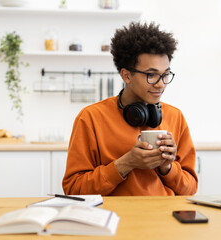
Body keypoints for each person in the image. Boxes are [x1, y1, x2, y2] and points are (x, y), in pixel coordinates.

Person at [62, 22, 198, 196]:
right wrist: (126, 163)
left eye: (165, 75)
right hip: (114, 219)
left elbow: (190, 189)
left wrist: (167, 167)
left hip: (164, 219)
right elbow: (74, 189)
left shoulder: (175, 116)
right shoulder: (90, 118)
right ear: (126, 75)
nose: (161, 84)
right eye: (151, 75)